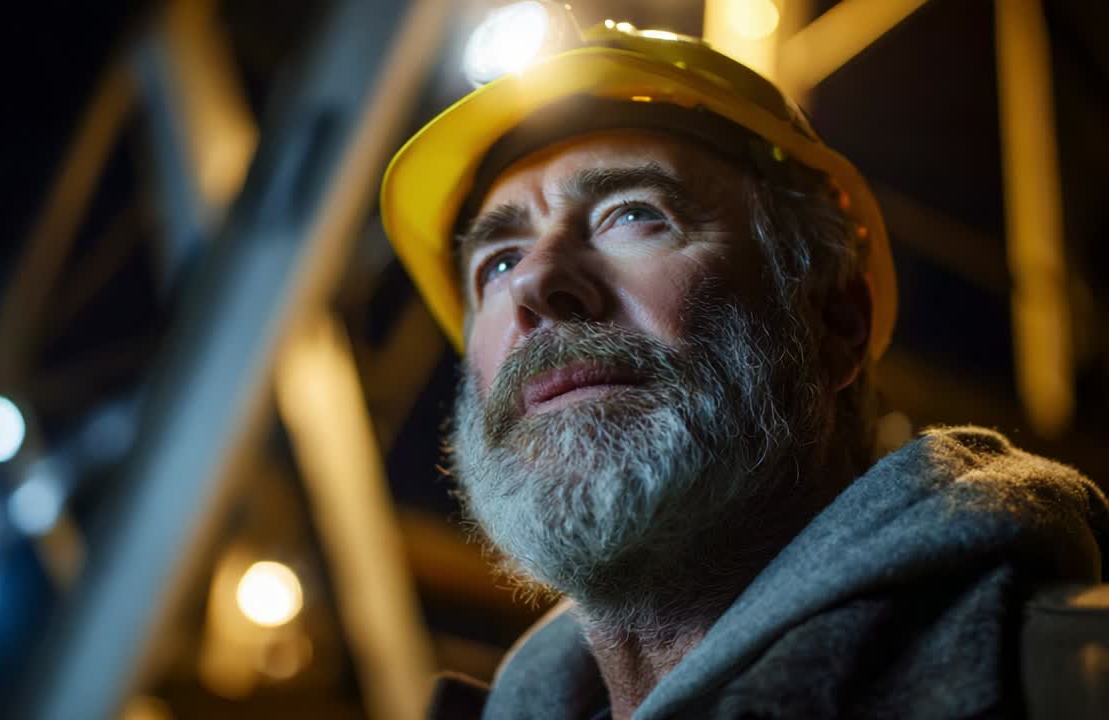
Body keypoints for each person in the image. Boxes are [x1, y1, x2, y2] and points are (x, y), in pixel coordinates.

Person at [379, 4, 1109, 718]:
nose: (535, 283)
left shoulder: (1071, 681)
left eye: (634, 214)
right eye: (497, 263)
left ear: (835, 318)